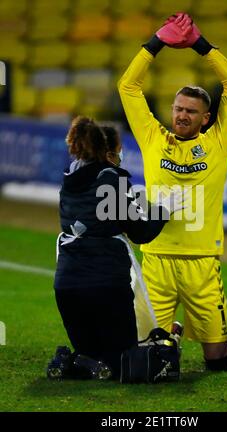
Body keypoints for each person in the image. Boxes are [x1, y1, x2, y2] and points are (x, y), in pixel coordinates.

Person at [118, 13, 227, 371]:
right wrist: (156, 41)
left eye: (191, 111)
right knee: (144, 356)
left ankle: (180, 333)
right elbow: (128, 86)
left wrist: (199, 44)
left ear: (206, 118)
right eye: (178, 108)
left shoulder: (218, 143)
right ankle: (169, 331)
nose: (182, 115)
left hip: (202, 261)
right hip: (156, 259)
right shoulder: (154, 140)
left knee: (217, 363)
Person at [47, 116, 184, 380]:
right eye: (120, 149)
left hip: (66, 286)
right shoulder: (111, 180)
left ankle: (72, 359)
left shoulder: (70, 180)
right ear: (109, 152)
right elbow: (141, 232)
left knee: (95, 353)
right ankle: (88, 361)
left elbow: (98, 219)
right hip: (105, 285)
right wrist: (163, 211)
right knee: (126, 361)